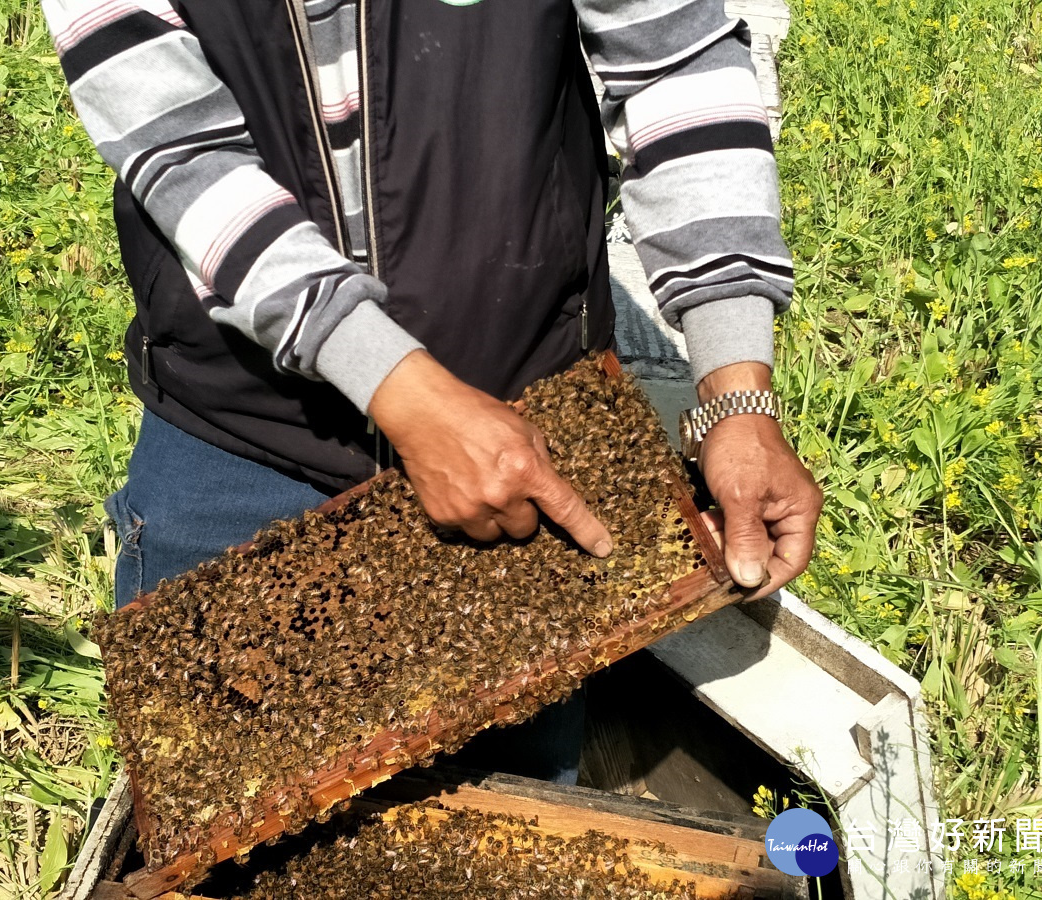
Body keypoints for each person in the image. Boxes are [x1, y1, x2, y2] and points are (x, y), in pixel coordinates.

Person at [42, 0, 822, 784]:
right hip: (244, 435)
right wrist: (396, 384)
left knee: (518, 818)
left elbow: (675, 61)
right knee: (214, 797)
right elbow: (179, 150)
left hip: (523, 444)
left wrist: (735, 385)